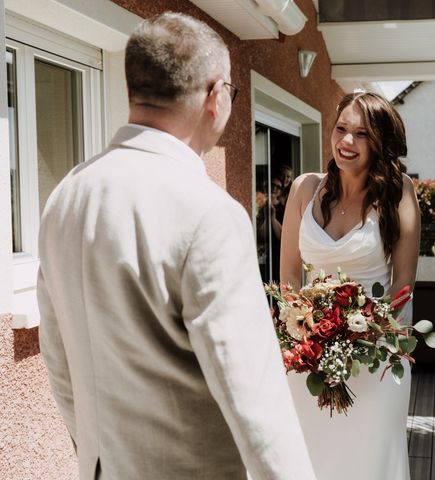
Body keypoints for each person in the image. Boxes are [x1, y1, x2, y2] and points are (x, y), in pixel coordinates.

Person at [37, 12, 315, 480]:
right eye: (231, 90)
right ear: (214, 95)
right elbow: (255, 400)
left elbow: (58, 357)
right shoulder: (210, 213)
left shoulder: (66, 194)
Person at [280, 92, 421, 479]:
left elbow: (403, 283)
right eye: (341, 129)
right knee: (309, 454)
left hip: (375, 353)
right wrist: (306, 335)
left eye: (361, 133)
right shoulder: (304, 190)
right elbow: (290, 276)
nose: (346, 142)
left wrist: (361, 335)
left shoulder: (399, 192)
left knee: (369, 459)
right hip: (309, 352)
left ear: (380, 141)